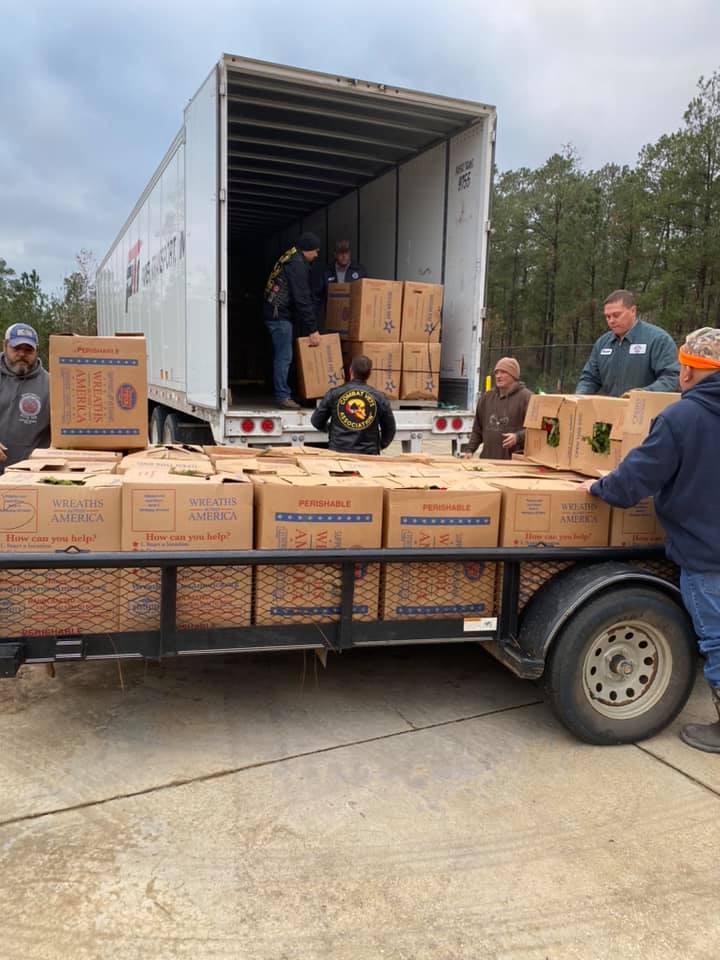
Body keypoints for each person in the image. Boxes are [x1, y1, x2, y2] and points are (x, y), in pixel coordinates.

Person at [581, 327, 720, 752]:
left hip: (707, 554)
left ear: (688, 370)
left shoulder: (683, 418)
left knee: (717, 639)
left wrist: (598, 489)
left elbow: (635, 480)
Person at [575, 289, 679, 396]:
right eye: (607, 316)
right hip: (612, 409)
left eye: (616, 315)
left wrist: (640, 394)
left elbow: (671, 378)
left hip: (646, 409)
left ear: (633, 311)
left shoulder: (657, 339)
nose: (611, 321)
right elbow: (590, 378)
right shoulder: (602, 343)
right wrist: (580, 396)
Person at [263, 233, 322, 410]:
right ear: (308, 250)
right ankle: (283, 395)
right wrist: (313, 329)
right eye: (316, 251)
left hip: (276, 312)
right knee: (284, 356)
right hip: (279, 315)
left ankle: (285, 391)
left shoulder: (290, 256)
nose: (317, 255)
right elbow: (302, 298)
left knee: (283, 354)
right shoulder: (296, 265)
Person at [311, 354, 396, 455]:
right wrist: (379, 445)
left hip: (338, 453)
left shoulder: (334, 394)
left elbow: (316, 421)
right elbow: (390, 429)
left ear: (350, 370)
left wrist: (331, 429)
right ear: (370, 373)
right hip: (368, 454)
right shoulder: (379, 397)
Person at [0, 323, 50, 472]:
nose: (22, 354)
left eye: (28, 350)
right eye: (16, 348)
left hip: (27, 478)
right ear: (5, 345)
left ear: (36, 351)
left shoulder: (51, 385)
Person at [462, 357, 532, 460]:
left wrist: (518, 437)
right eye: (496, 373)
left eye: (503, 372)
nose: (498, 376)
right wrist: (469, 450)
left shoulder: (527, 398)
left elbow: (537, 431)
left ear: (513, 375)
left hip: (515, 465)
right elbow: (477, 430)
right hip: (487, 462)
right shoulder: (486, 398)